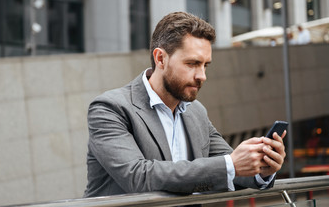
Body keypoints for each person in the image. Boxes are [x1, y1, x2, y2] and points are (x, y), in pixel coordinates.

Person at [84, 12, 286, 198]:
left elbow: (232, 170)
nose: (202, 76)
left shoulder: (196, 112)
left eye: (205, 65)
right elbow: (138, 177)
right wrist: (231, 164)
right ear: (160, 58)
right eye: (192, 64)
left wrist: (262, 168)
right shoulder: (110, 108)